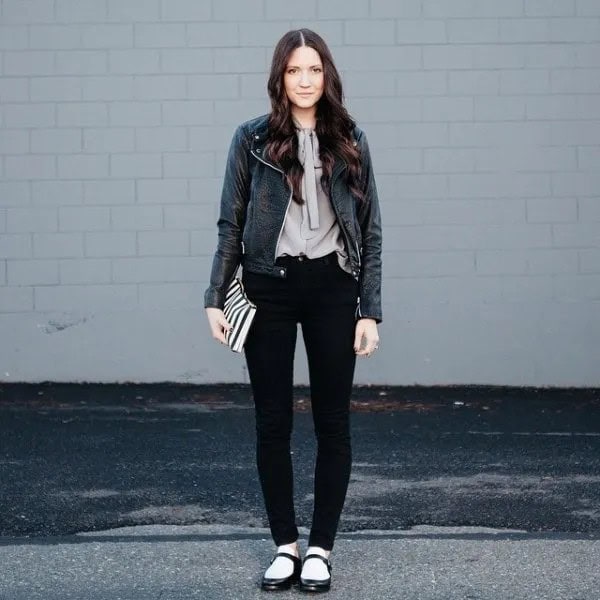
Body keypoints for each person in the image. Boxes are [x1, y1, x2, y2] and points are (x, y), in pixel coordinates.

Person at [204, 28, 382, 593]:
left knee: (333, 422)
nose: (304, 80)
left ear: (326, 75)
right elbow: (231, 221)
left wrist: (369, 310)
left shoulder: (350, 139)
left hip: (333, 287)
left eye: (314, 70)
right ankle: (285, 545)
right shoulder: (251, 138)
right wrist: (214, 296)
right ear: (280, 78)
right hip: (267, 289)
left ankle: (321, 549)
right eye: (293, 71)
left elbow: (371, 230)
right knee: (272, 421)